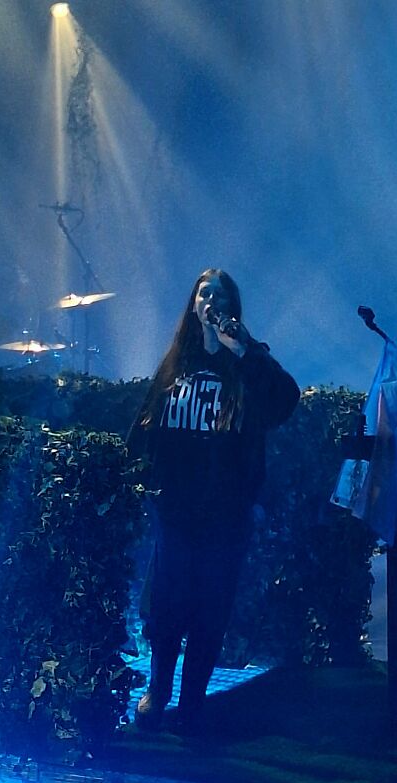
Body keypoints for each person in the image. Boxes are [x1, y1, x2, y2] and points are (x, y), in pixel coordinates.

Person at [127, 268, 300, 732]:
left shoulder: (244, 360)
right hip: (177, 510)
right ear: (193, 303)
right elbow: (144, 427)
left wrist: (243, 350)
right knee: (167, 606)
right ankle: (158, 690)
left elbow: (285, 401)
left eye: (220, 294)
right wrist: (141, 477)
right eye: (204, 292)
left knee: (210, 608)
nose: (211, 299)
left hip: (225, 512)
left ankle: (192, 703)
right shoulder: (175, 363)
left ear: (232, 308)